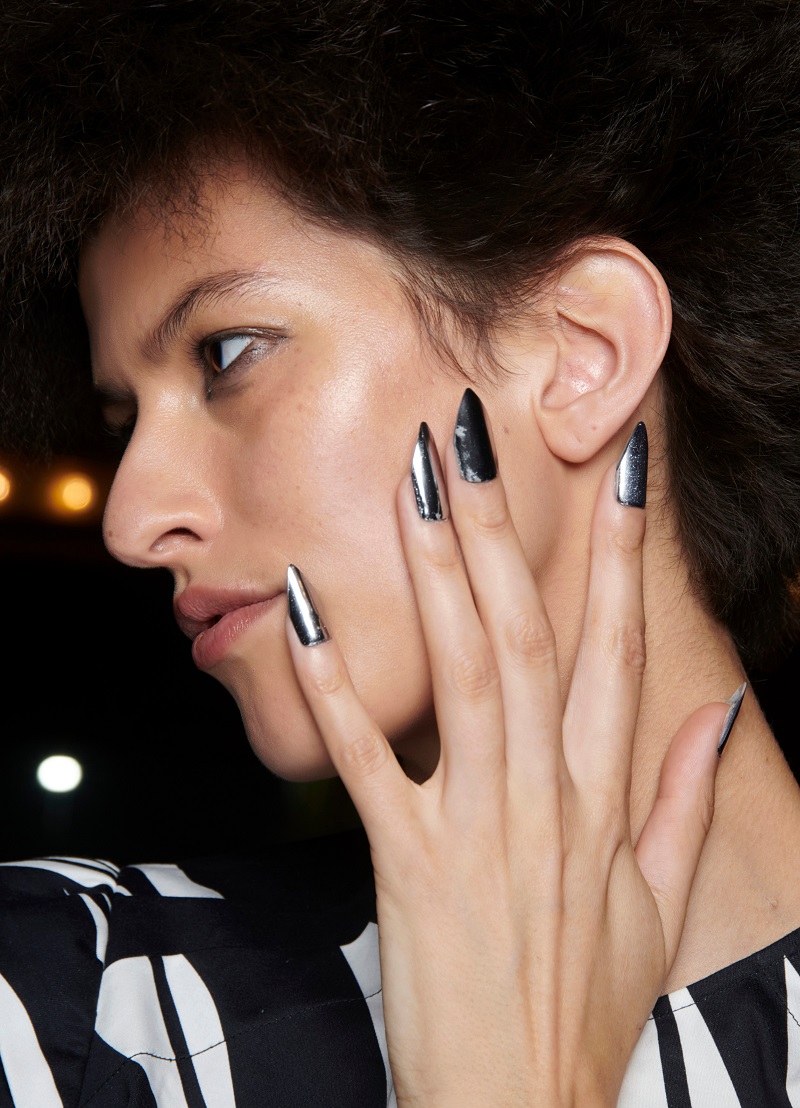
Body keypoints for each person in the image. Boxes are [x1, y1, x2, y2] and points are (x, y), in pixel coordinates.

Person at [0, 0, 799, 1103]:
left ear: (584, 351)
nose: (131, 522)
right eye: (123, 420)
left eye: (226, 353)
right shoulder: (70, 1011)